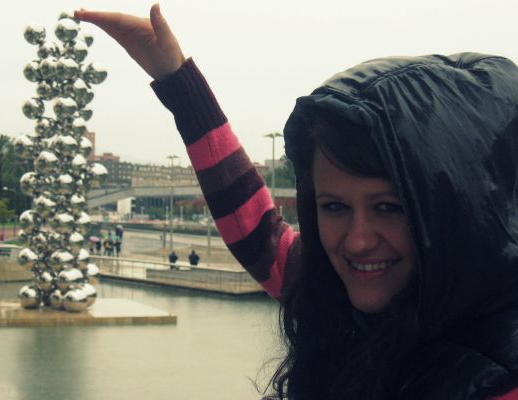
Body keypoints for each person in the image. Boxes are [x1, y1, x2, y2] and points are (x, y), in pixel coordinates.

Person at [75, 6, 518, 399]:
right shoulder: (339, 295)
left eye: (389, 207)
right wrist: (178, 83)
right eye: (334, 207)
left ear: (458, 208)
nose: (358, 242)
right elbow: (255, 228)